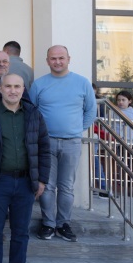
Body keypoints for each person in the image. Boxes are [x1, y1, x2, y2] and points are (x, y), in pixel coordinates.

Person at [0, 73, 50, 263]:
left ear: (23, 89)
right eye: (8, 86)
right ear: (0, 89)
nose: (13, 90)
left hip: (25, 181)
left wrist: (42, 179)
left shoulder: (33, 114)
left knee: (21, 230)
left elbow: (43, 147)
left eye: (17, 86)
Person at [30, 45, 96, 242]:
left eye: (61, 58)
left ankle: (63, 224)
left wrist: (76, 130)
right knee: (47, 185)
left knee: (67, 186)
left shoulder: (82, 83)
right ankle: (48, 224)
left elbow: (90, 111)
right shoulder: (39, 84)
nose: (57, 61)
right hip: (46, 143)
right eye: (53, 58)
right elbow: (31, 112)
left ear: (68, 59)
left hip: (72, 143)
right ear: (47, 61)